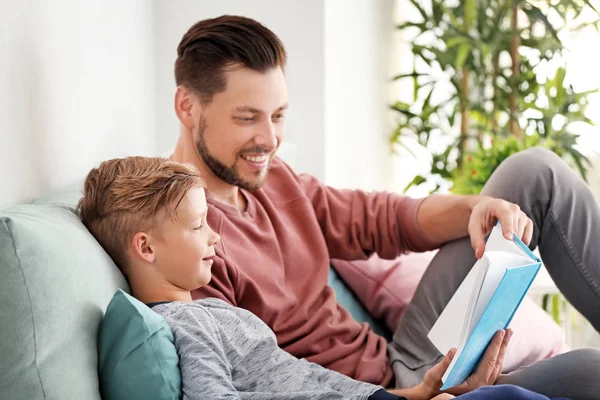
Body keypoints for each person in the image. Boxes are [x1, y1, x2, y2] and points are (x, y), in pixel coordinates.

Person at [168, 14, 600, 400]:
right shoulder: (186, 237)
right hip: (387, 392)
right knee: (590, 372)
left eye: (278, 115)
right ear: (187, 106)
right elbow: (253, 381)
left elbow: (380, 219)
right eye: (247, 118)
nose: (269, 138)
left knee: (533, 172)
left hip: (402, 355)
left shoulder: (273, 177)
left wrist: (480, 207)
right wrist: (410, 395)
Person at [79, 156, 568, 400]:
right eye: (198, 226)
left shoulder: (213, 312)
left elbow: (309, 387)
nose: (215, 237)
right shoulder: (188, 326)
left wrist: (418, 395)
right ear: (145, 247)